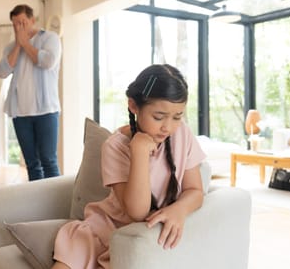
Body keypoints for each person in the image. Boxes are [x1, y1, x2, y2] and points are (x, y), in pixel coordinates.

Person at [52, 64, 206, 268]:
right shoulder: (114, 146)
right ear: (134, 106)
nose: (168, 127)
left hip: (138, 236)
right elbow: (137, 211)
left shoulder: (182, 134)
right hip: (105, 228)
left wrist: (179, 209)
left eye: (177, 117)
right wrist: (140, 152)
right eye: (158, 117)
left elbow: (195, 191)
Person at [0, 4, 62, 181]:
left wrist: (25, 43)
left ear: (33, 20)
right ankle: (38, 205)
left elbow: (48, 61)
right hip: (20, 113)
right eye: (15, 24)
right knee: (32, 164)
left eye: (22, 22)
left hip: (46, 111)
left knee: (49, 161)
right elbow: (1, 71)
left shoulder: (50, 38)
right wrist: (18, 45)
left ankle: (57, 205)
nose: (19, 27)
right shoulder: (11, 47)